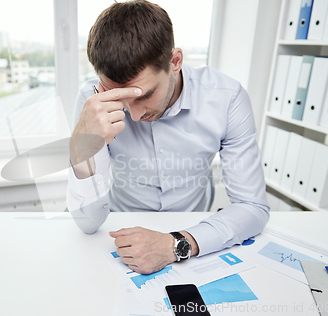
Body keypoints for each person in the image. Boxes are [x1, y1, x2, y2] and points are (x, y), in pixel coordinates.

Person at [67, 0, 269, 275]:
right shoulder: (93, 103)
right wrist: (81, 148)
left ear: (175, 61)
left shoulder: (227, 98)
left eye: (145, 95)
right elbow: (88, 223)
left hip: (195, 229)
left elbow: (253, 207)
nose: (134, 116)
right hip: (120, 231)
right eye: (120, 99)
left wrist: (176, 243)